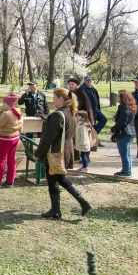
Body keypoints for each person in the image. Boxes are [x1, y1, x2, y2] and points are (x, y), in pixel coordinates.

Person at [34, 88, 92, 219]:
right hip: (65, 152)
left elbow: (48, 138)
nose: (52, 101)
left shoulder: (58, 115)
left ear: (61, 99)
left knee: (52, 181)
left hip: (55, 154)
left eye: (54, 98)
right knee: (60, 178)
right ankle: (82, 202)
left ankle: (56, 211)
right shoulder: (71, 113)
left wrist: (37, 154)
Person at [0, 93, 23, 188]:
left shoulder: (6, 114)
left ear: (7, 103)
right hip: (15, 138)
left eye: (3, 102)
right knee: (11, 159)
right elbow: (21, 127)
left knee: (2, 159)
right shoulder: (19, 112)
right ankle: (10, 181)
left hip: (6, 139)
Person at [110, 90, 137, 177]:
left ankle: (126, 172)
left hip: (124, 133)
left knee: (124, 153)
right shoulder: (130, 106)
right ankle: (127, 170)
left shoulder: (123, 107)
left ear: (123, 98)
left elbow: (123, 121)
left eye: (118, 96)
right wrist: (116, 118)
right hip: (130, 132)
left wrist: (112, 129)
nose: (117, 98)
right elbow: (125, 118)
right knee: (127, 153)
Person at [82, 75, 107, 142]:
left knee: (103, 119)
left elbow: (97, 99)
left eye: (90, 80)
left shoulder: (92, 88)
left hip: (95, 109)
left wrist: (98, 108)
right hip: (89, 110)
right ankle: (93, 139)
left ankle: (94, 135)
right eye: (87, 80)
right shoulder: (82, 89)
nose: (88, 81)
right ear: (84, 81)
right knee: (92, 124)